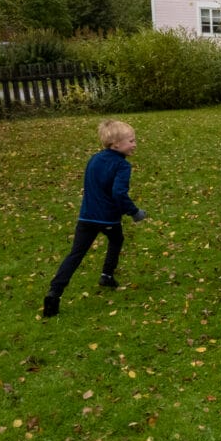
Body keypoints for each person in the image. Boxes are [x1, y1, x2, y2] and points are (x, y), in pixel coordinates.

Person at [42, 119, 147, 318]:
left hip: (86, 216)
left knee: (76, 254)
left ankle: (54, 292)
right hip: (107, 218)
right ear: (115, 144)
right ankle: (107, 275)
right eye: (131, 141)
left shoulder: (94, 159)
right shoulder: (122, 166)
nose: (135, 144)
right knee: (116, 239)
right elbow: (118, 193)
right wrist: (134, 212)